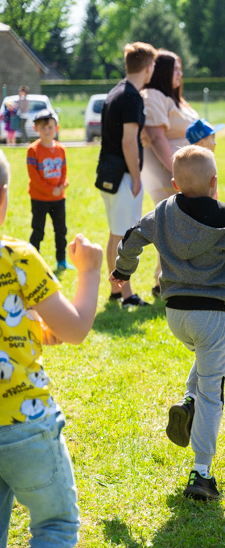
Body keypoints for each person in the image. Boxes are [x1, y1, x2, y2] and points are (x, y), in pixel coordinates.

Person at [110, 145, 225, 499]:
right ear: (214, 182)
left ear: (175, 184)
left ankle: (188, 402)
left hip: (175, 313)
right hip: (210, 313)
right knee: (214, 390)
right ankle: (201, 473)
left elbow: (132, 238)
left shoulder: (163, 211)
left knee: (207, 361)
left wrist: (122, 271)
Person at [0, 149, 103, 548]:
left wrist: (33, 329)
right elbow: (75, 329)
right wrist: (90, 271)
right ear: (5, 196)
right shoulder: (17, 259)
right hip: (25, 424)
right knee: (55, 526)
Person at [98, 41, 156, 308]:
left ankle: (115, 290)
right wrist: (135, 176)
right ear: (146, 67)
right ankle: (126, 295)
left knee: (115, 233)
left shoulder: (116, 92)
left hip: (108, 173)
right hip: (122, 175)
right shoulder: (131, 96)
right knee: (124, 237)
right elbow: (128, 141)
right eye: (153, 65)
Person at [141, 50, 200, 297]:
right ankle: (164, 282)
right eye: (175, 69)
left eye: (180, 69)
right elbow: (156, 136)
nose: (180, 73)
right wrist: (178, 169)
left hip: (189, 172)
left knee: (184, 226)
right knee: (172, 226)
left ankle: (172, 279)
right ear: (162, 72)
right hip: (167, 172)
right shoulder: (153, 96)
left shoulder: (177, 100)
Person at [26, 109, 70, 272]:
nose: (47, 131)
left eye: (50, 127)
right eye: (42, 127)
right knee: (38, 230)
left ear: (56, 128)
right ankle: (32, 259)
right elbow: (34, 177)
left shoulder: (61, 149)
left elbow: (64, 171)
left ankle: (61, 261)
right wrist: (51, 190)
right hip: (40, 199)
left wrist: (63, 184)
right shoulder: (33, 150)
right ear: (36, 128)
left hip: (58, 199)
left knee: (61, 231)